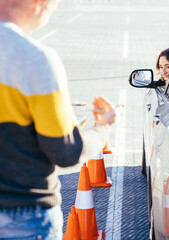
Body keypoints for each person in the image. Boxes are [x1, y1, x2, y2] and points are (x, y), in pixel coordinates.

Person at [0, 0, 116, 239]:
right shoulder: (35, 59)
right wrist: (102, 130)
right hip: (23, 214)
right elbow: (65, 152)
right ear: (39, 3)